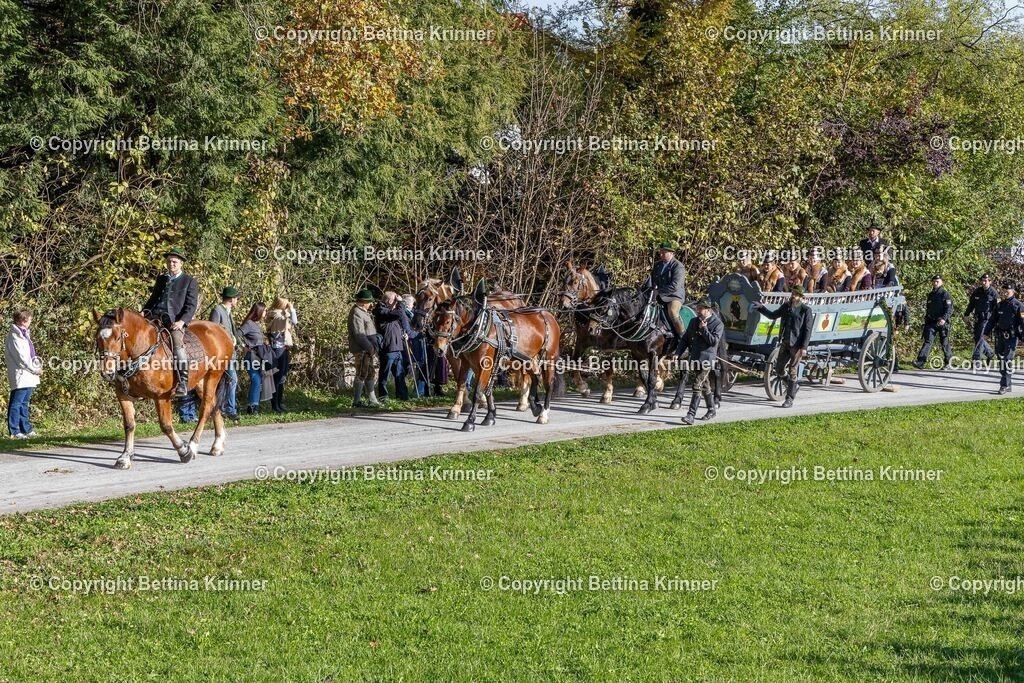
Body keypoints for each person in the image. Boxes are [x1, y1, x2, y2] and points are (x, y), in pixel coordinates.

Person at [141, 248, 198, 398]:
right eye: (169, 261)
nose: (171, 264)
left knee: (177, 344)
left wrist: (182, 322)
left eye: (174, 261)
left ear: (181, 263)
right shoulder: (161, 279)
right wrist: (143, 311)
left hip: (173, 322)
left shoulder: (189, 281)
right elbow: (153, 299)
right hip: (154, 318)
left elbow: (191, 306)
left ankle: (183, 382)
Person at [753, 285, 814, 408]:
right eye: (793, 293)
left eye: (796, 294)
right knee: (779, 369)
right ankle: (793, 385)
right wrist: (761, 308)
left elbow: (808, 330)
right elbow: (773, 315)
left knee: (792, 370)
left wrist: (804, 347)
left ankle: (789, 399)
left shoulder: (805, 310)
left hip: (797, 345)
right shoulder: (786, 307)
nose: (793, 296)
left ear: (801, 297)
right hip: (785, 342)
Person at [676, 299, 724, 425]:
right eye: (697, 308)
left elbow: (713, 341)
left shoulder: (718, 324)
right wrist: (677, 353)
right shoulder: (693, 321)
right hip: (696, 358)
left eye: (700, 309)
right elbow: (685, 339)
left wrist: (704, 329)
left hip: (707, 360)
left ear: (707, 310)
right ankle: (712, 409)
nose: (698, 311)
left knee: (697, 385)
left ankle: (690, 415)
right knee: (705, 386)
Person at [5, 310, 41, 438]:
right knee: (16, 403)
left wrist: (36, 365)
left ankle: (25, 428)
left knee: (24, 402)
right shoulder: (15, 336)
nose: (31, 321)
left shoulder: (24, 334)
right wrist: (34, 369)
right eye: (29, 319)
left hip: (28, 373)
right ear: (23, 320)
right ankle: (14, 430)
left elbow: (31, 354)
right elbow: (22, 358)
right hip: (21, 373)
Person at [983, 282, 1024, 394]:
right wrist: (986, 333)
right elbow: (992, 321)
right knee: (1001, 360)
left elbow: (1023, 323)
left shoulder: (1019, 306)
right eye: (1003, 290)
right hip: (1000, 337)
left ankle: (1004, 385)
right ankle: (1008, 384)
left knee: (1007, 360)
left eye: (1008, 291)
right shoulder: (999, 305)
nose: (1005, 293)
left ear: (1013, 291)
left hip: (1012, 337)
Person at [208, 286, 241, 420]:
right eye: (236, 298)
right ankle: (229, 409)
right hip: (222, 353)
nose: (237, 301)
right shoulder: (217, 310)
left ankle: (223, 407)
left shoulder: (228, 311)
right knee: (232, 379)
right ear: (232, 299)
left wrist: (237, 342)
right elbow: (211, 330)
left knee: (228, 381)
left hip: (230, 351)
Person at [376, 291, 412, 401]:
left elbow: (402, 318)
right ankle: (383, 397)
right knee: (384, 374)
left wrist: (404, 333)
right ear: (389, 301)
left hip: (397, 347)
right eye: (395, 301)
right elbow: (399, 314)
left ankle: (402, 396)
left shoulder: (391, 311)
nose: (397, 303)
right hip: (388, 348)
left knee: (400, 374)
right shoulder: (381, 311)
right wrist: (400, 303)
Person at [349, 289, 382, 407]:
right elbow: (359, 334)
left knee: (369, 373)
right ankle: (356, 401)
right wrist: (369, 347)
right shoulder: (356, 312)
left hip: (367, 349)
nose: (371, 304)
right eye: (369, 302)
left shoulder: (363, 312)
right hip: (362, 349)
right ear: (363, 302)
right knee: (362, 373)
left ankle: (372, 400)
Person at [240, 302, 274, 415]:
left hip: (258, 357)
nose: (266, 313)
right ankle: (253, 406)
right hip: (251, 356)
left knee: (258, 380)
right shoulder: (249, 324)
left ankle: (254, 405)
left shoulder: (256, 324)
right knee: (256, 379)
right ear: (259, 311)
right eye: (264, 311)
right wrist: (244, 346)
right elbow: (237, 334)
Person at [913, 275, 953, 370]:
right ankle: (920, 362)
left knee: (944, 343)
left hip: (942, 323)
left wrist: (944, 319)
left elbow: (949, 309)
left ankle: (948, 362)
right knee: (927, 341)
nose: (935, 283)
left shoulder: (945, 294)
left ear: (941, 282)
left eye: (937, 281)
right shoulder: (930, 295)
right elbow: (928, 309)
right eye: (934, 281)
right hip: (931, 322)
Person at [266, 297, 298, 414]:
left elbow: (293, 321)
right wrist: (292, 309)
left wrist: (290, 310)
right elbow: (294, 321)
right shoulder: (277, 315)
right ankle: (275, 404)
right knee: (278, 377)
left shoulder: (282, 315)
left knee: (282, 377)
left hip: (283, 348)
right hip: (278, 349)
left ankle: (279, 403)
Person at [651, 241, 686, 337]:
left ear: (671, 253)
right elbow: (653, 280)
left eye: (664, 253)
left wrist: (659, 291)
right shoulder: (658, 265)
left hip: (674, 296)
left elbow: (675, 285)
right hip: (658, 294)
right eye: (660, 252)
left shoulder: (678, 266)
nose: (661, 255)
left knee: (673, 312)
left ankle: (682, 336)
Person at [964, 273, 998, 363]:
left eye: (985, 281)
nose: (983, 282)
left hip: (987, 320)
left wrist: (996, 321)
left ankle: (976, 360)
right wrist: (967, 314)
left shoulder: (994, 293)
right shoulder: (977, 291)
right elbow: (971, 304)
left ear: (990, 282)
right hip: (978, 318)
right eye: (982, 280)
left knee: (980, 338)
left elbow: (997, 308)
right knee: (977, 338)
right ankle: (990, 353)